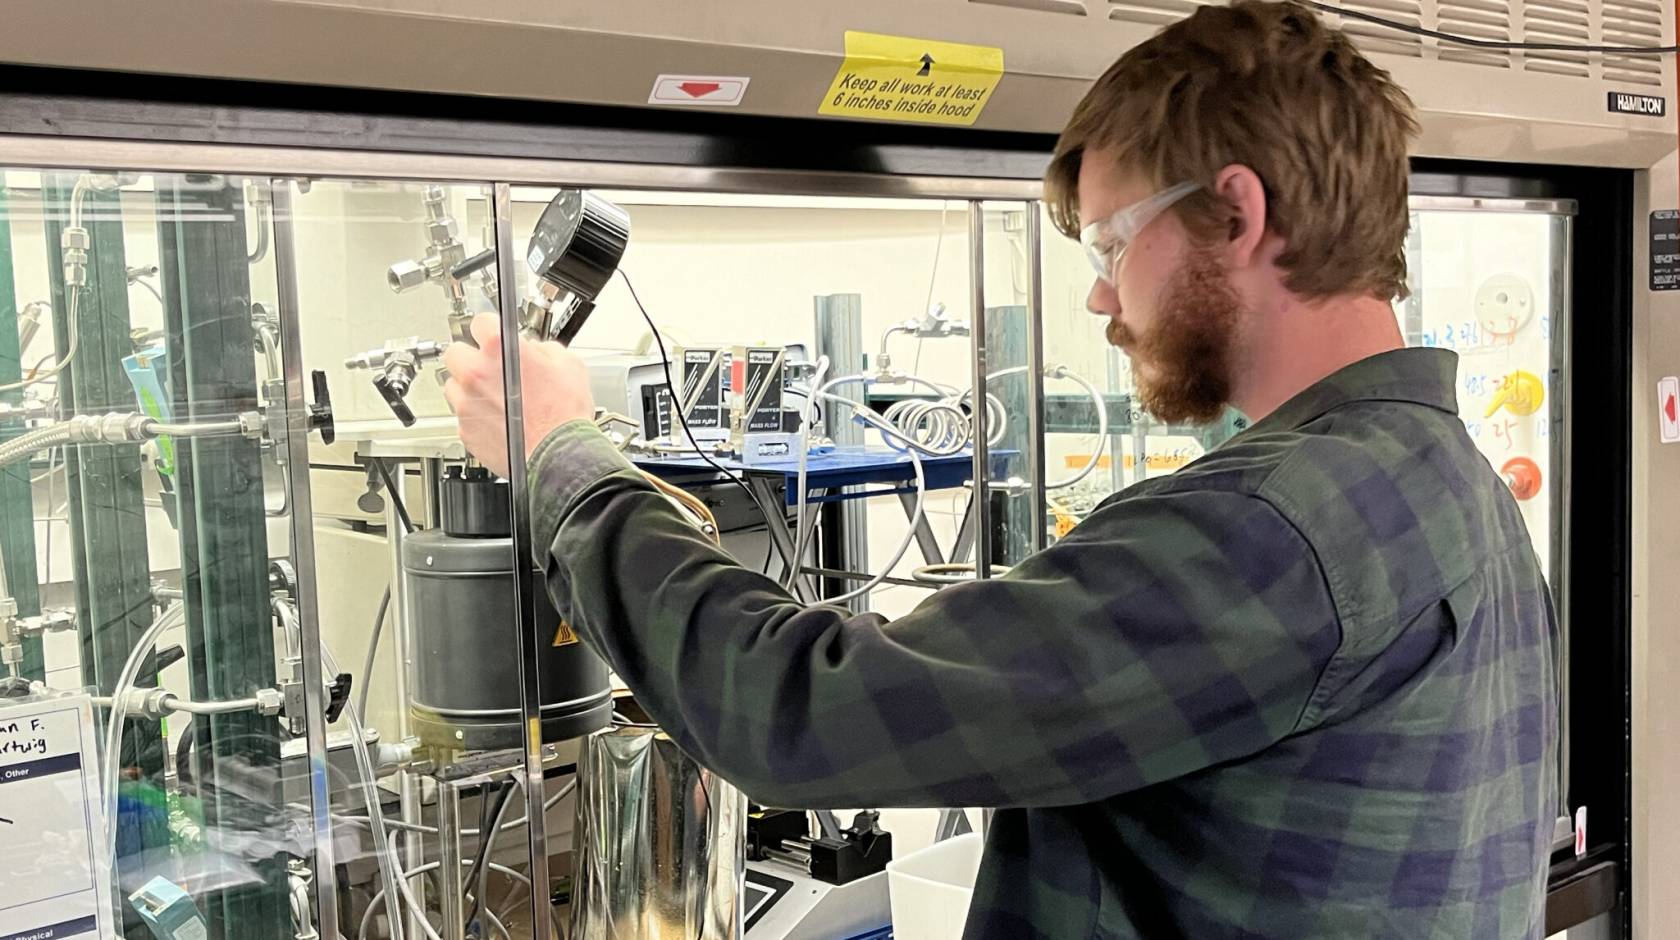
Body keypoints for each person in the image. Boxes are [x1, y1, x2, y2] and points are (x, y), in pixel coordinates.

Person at [444, 1, 1560, 935]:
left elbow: (799, 712)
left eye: (1115, 245)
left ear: (1237, 212)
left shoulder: (1270, 529)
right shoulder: (1458, 488)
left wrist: (560, 454)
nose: (1101, 298)